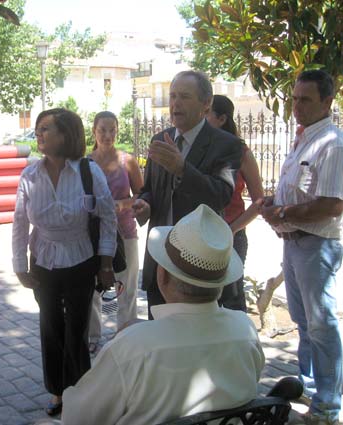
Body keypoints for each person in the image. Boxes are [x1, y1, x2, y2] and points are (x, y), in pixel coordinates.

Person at [57, 204, 265, 425]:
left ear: (162, 275)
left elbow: (76, 418)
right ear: (220, 284)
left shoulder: (133, 349)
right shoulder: (245, 330)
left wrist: (132, 339)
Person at [12, 108, 117, 416]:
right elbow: (19, 223)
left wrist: (106, 264)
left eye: (46, 129)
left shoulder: (88, 171)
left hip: (81, 259)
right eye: (38, 129)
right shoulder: (30, 175)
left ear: (66, 134)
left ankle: (80, 390)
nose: (39, 135)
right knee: (51, 326)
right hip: (43, 260)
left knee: (77, 329)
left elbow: (107, 217)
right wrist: (19, 266)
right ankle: (57, 391)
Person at [261, 69, 343, 425]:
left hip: (318, 245)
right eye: (294, 98)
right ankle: (310, 385)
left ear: (327, 102)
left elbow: (333, 204)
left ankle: (329, 404)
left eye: (305, 100)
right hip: (293, 243)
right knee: (304, 321)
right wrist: (274, 206)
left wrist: (282, 211)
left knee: (322, 323)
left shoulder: (332, 144)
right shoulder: (304, 139)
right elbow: (300, 191)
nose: (296, 106)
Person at [132, 70, 243, 317]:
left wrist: (183, 169)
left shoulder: (226, 145)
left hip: (198, 268)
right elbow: (148, 189)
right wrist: (144, 204)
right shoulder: (160, 139)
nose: (175, 103)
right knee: (160, 343)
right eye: (172, 96)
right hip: (161, 262)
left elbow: (221, 195)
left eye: (184, 96)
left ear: (206, 103)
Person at [87, 111, 143, 354]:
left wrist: (123, 204)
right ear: (94, 132)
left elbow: (143, 194)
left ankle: (125, 335)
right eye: (102, 130)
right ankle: (92, 335)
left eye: (112, 130)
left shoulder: (127, 161)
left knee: (127, 285)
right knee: (91, 286)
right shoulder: (85, 162)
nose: (107, 135)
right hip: (92, 232)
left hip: (124, 231)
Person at [206, 94, 264, 311]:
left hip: (232, 236)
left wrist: (231, 229)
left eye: (206, 114)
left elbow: (258, 201)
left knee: (231, 301)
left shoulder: (241, 153)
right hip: (202, 235)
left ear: (221, 119)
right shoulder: (201, 150)